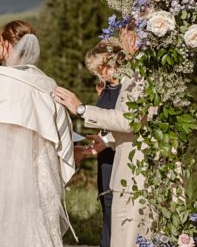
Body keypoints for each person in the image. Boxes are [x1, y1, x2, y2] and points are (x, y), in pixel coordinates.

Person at [0, 21, 70, 247]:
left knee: (8, 231)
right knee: (41, 229)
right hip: (42, 171)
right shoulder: (46, 82)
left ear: (6, 45)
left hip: (10, 171)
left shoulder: (0, 83)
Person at [53, 40, 144, 247]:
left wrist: (82, 109)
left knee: (121, 214)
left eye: (100, 69)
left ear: (112, 63)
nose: (99, 75)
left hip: (124, 157)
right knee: (108, 207)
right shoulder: (107, 88)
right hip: (107, 156)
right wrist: (96, 145)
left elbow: (125, 121)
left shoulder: (131, 88)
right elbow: (110, 124)